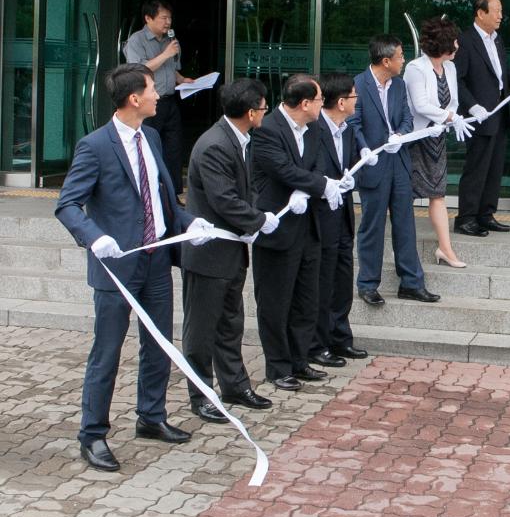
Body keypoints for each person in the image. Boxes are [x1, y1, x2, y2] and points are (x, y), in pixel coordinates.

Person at [55, 63, 215, 472]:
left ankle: (151, 416)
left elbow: (161, 201)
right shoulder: (95, 146)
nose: (159, 95)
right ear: (133, 98)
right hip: (117, 267)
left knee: (159, 343)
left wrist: (185, 223)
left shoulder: (153, 138)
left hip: (157, 260)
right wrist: (94, 237)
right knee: (106, 353)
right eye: (151, 89)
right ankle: (92, 435)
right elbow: (67, 204)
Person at [180, 78, 277, 424]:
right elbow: (224, 200)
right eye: (264, 107)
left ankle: (235, 386)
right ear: (251, 112)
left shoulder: (239, 139)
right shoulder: (215, 145)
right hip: (208, 255)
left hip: (231, 251)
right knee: (200, 331)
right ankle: (201, 394)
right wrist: (258, 221)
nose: (266, 112)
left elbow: (243, 191)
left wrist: (252, 222)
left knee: (230, 323)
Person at [250, 74, 342, 391]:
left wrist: (316, 186)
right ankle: (277, 367)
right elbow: (281, 169)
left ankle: (299, 360)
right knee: (276, 301)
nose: (322, 105)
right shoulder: (267, 129)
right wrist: (314, 187)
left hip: (309, 226)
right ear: (304, 103)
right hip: (278, 226)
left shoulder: (314, 128)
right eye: (318, 100)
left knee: (307, 298)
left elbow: (316, 163)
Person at [349, 34, 438, 304]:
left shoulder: (398, 85)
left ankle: (411, 282)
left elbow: (408, 118)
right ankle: (367, 284)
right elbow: (354, 124)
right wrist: (366, 149)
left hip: (399, 161)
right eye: (400, 56)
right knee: (372, 225)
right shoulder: (359, 84)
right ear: (386, 60)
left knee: (405, 223)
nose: (404, 60)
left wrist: (401, 134)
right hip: (374, 163)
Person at [309, 74, 367, 367]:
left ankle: (340, 338)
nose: (358, 101)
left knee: (343, 279)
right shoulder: (314, 130)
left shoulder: (347, 130)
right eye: (355, 97)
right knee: (323, 281)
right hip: (320, 217)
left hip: (343, 214)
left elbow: (351, 163)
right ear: (341, 102)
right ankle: (317, 344)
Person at [405, 16, 468, 269]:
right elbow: (420, 105)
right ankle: (405, 245)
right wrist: (450, 117)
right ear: (444, 45)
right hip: (415, 139)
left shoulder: (450, 68)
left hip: (436, 138)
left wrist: (451, 119)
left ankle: (446, 248)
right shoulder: (415, 68)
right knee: (406, 194)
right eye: (454, 41)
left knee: (438, 193)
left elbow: (452, 101)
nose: (457, 45)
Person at [453, 0, 510, 237]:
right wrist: (471, 106)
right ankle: (466, 217)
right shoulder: (466, 41)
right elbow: (457, 80)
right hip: (478, 116)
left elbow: (503, 74)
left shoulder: (497, 40)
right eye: (496, 10)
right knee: (476, 168)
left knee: (494, 167)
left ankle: (486, 214)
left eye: (501, 10)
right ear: (481, 13)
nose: (501, 15)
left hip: (499, 112)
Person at [123, 0, 193, 192]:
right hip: (147, 104)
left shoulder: (170, 40)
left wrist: (181, 79)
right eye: (163, 18)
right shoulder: (137, 41)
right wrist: (166, 54)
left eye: (170, 18)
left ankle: (173, 194)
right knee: (150, 148)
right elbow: (138, 70)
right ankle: (149, 191)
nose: (168, 22)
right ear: (148, 18)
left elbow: (172, 69)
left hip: (170, 101)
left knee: (173, 149)